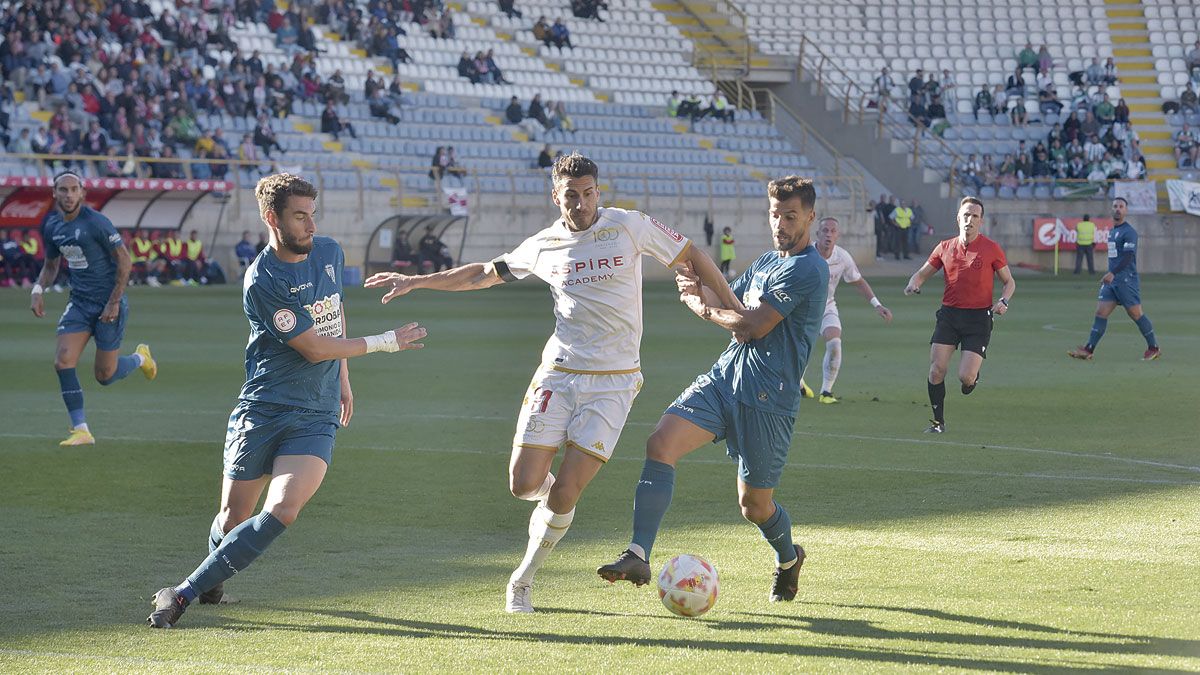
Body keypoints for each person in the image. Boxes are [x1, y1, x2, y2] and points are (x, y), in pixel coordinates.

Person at [362, 152, 735, 613]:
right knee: (523, 485)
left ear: (599, 191)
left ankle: (523, 579)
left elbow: (691, 255)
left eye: (589, 193)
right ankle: (557, 503)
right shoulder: (543, 243)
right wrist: (418, 281)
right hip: (557, 374)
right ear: (556, 195)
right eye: (571, 195)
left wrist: (732, 306)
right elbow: (483, 273)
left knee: (563, 494)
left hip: (614, 383)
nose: (581, 204)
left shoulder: (628, 225)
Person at [145, 173, 428, 629]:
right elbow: (314, 347)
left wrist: (344, 378)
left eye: (312, 215)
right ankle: (212, 576)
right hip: (263, 408)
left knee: (283, 509)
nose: (311, 227)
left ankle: (181, 592)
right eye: (300, 217)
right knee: (232, 518)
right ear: (271, 218)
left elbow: (332, 315)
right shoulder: (263, 279)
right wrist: (386, 342)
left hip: (314, 414)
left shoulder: (330, 253)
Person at [595, 176, 829, 603]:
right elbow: (730, 301)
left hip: (768, 399)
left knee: (755, 507)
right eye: (775, 214)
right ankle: (638, 553)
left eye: (791, 216)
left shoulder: (809, 269)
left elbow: (752, 326)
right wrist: (693, 278)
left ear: (810, 217)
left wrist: (702, 307)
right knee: (661, 443)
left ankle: (789, 558)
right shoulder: (763, 263)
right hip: (725, 380)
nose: (780, 223)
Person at [29, 172, 158, 446]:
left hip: (107, 304)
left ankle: (140, 358)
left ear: (82, 193)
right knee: (63, 360)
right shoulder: (52, 227)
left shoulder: (96, 223)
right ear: (55, 193)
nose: (68, 195)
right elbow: (51, 265)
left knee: (105, 376)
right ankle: (81, 430)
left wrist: (113, 301)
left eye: (73, 189)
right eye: (63, 190)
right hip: (79, 303)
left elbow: (125, 260)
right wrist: (38, 290)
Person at [904, 197, 1015, 434]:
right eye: (966, 215)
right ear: (958, 218)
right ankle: (937, 422)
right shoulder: (944, 247)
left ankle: (972, 378)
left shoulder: (991, 248)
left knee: (965, 377)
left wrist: (1003, 301)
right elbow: (922, 274)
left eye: (975, 216)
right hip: (950, 316)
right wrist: (914, 283)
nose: (970, 220)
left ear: (981, 221)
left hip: (978, 319)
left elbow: (1009, 282)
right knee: (936, 369)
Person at [806, 217, 892, 403]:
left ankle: (826, 392)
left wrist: (877, 305)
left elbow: (858, 281)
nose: (828, 234)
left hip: (826, 306)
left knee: (835, 343)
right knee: (799, 348)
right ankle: (797, 383)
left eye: (832, 231)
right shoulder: (805, 254)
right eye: (825, 230)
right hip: (802, 310)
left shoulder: (842, 257)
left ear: (838, 235)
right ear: (817, 234)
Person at [1068, 198, 1160, 361]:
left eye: (1121, 206)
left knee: (1136, 314)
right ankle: (1089, 349)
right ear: (1111, 210)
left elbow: (1128, 256)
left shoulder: (1129, 232)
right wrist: (1111, 274)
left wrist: (1113, 273)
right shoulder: (1112, 231)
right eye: (1115, 206)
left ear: (1126, 211)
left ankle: (1153, 347)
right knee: (1100, 312)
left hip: (1126, 280)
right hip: (1112, 282)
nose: (1118, 209)